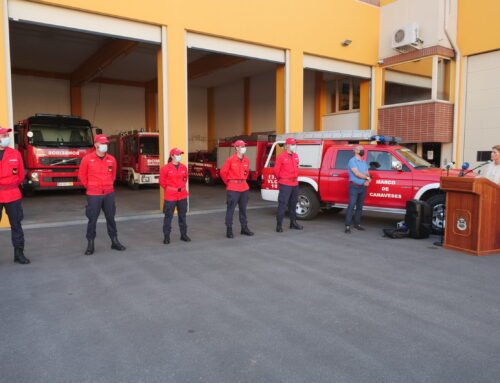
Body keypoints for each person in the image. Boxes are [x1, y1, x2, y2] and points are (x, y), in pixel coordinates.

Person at [78, 134, 126, 255]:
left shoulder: (111, 159)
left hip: (109, 194)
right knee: (92, 220)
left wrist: (108, 185)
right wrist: (90, 187)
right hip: (94, 194)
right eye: (102, 144)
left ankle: (114, 241)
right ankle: (90, 244)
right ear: (96, 145)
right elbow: (82, 176)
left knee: (111, 218)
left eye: (106, 144)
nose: (105, 146)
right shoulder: (87, 159)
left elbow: (113, 175)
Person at [0, 127, 30, 264]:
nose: (7, 137)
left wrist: (10, 184)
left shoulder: (15, 154)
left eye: (7, 135)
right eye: (4, 135)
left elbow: (20, 175)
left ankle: (19, 253)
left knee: (16, 224)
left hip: (12, 193)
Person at [220, 139, 254, 238]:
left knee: (243, 209)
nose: (244, 148)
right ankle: (229, 229)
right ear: (237, 148)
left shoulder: (246, 160)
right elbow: (223, 172)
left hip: (244, 187)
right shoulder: (230, 160)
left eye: (244, 146)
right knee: (230, 209)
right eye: (242, 146)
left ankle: (244, 228)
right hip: (233, 188)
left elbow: (246, 173)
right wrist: (229, 183)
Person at [159, 148, 190, 244]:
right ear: (172, 156)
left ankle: (183, 235)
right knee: (168, 216)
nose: (179, 156)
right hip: (170, 196)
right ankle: (166, 236)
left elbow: (185, 180)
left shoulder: (184, 167)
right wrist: (170, 189)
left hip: (182, 196)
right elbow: (162, 182)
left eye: (180, 154)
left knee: (182, 216)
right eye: (177, 154)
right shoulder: (166, 168)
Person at [274, 137, 303, 232]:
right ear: (287, 145)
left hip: (294, 183)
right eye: (292, 144)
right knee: (282, 204)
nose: (294, 146)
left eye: (295, 144)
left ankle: (293, 223)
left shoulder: (296, 156)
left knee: (293, 204)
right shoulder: (281, 157)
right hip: (285, 184)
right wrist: (282, 179)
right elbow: (276, 171)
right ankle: (279, 225)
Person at [344, 145, 371, 234]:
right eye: (361, 150)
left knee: (360, 207)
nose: (363, 151)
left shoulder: (364, 162)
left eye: (363, 150)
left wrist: (369, 179)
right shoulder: (352, 161)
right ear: (356, 151)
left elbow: (367, 173)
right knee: (351, 206)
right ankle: (347, 226)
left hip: (363, 187)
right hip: (354, 187)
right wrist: (366, 179)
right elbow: (356, 173)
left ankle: (357, 224)